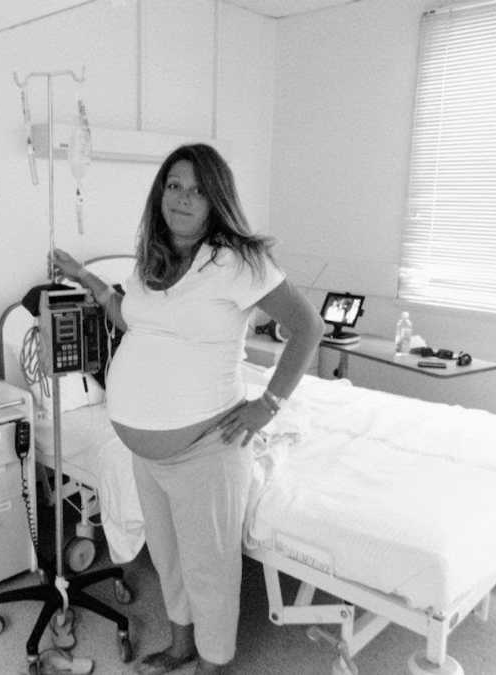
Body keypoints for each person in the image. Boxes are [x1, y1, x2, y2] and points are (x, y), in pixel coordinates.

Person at [52, 144, 324, 674]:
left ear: (215, 198)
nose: (182, 197)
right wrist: (83, 278)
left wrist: (267, 405)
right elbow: (128, 317)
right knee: (170, 560)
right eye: (174, 185)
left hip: (205, 448)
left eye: (197, 189)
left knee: (210, 569)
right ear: (160, 193)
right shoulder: (153, 260)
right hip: (146, 454)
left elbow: (308, 327)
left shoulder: (238, 262)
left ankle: (213, 662)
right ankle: (180, 647)